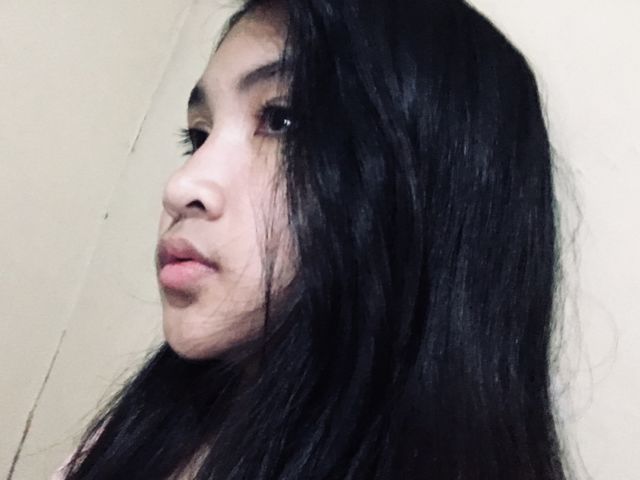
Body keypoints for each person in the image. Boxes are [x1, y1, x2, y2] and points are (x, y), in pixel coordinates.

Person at [55, 0, 569, 478]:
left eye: (281, 120)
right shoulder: (145, 429)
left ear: (429, 188)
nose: (182, 187)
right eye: (198, 136)